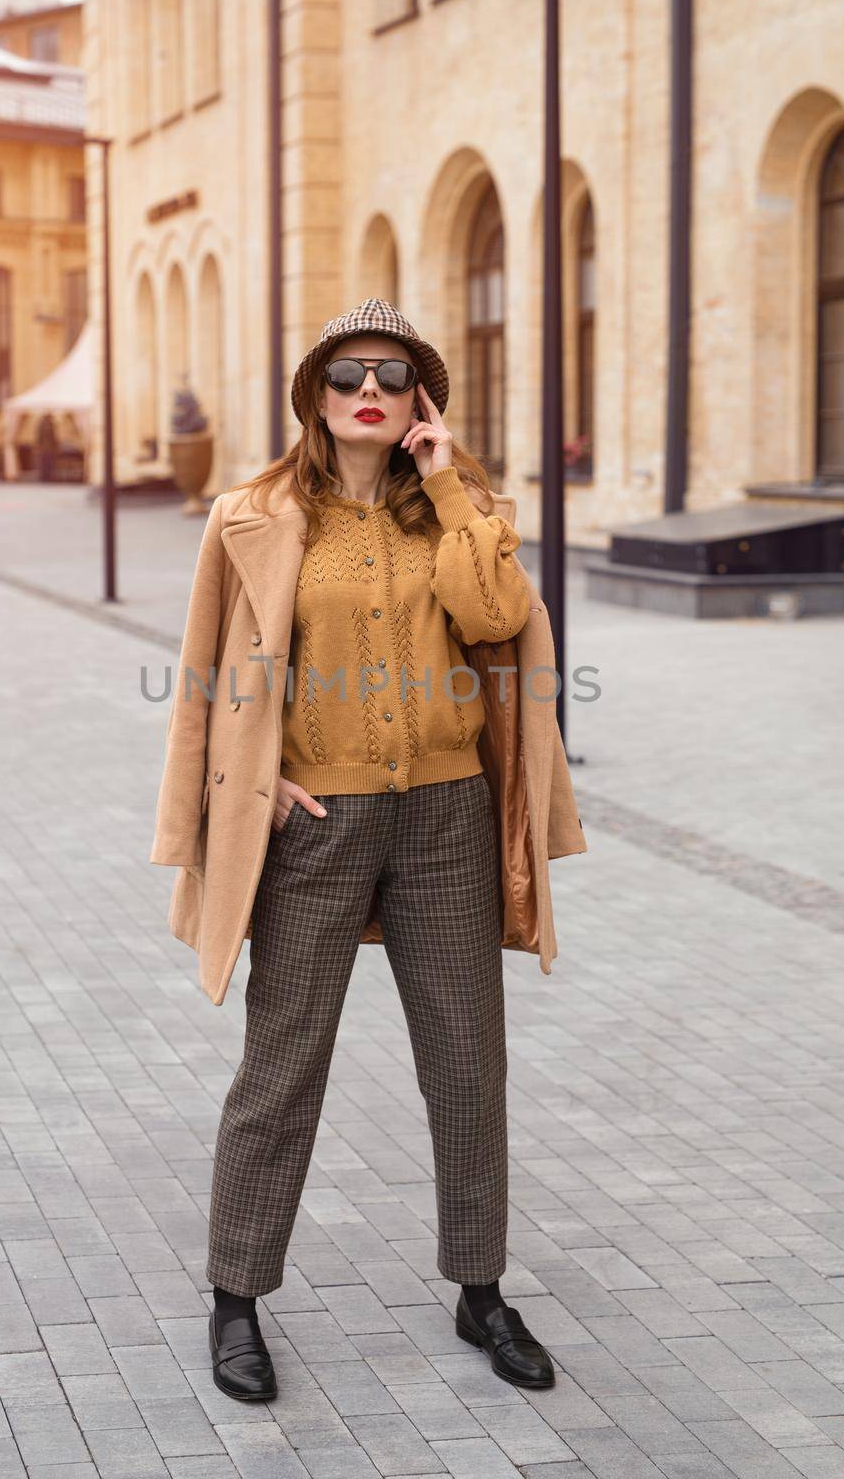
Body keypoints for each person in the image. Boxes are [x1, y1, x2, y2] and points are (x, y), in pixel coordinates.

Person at [188, 301, 562, 1402]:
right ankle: (236, 1297)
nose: (369, 388)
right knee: (282, 1064)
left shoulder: (459, 511)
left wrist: (447, 484)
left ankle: (478, 1289)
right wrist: (254, 788)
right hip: (314, 823)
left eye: (392, 377)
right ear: (314, 392)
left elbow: (494, 616)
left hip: (447, 814)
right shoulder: (249, 516)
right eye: (347, 371)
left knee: (466, 1060)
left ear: (417, 403)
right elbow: (211, 678)